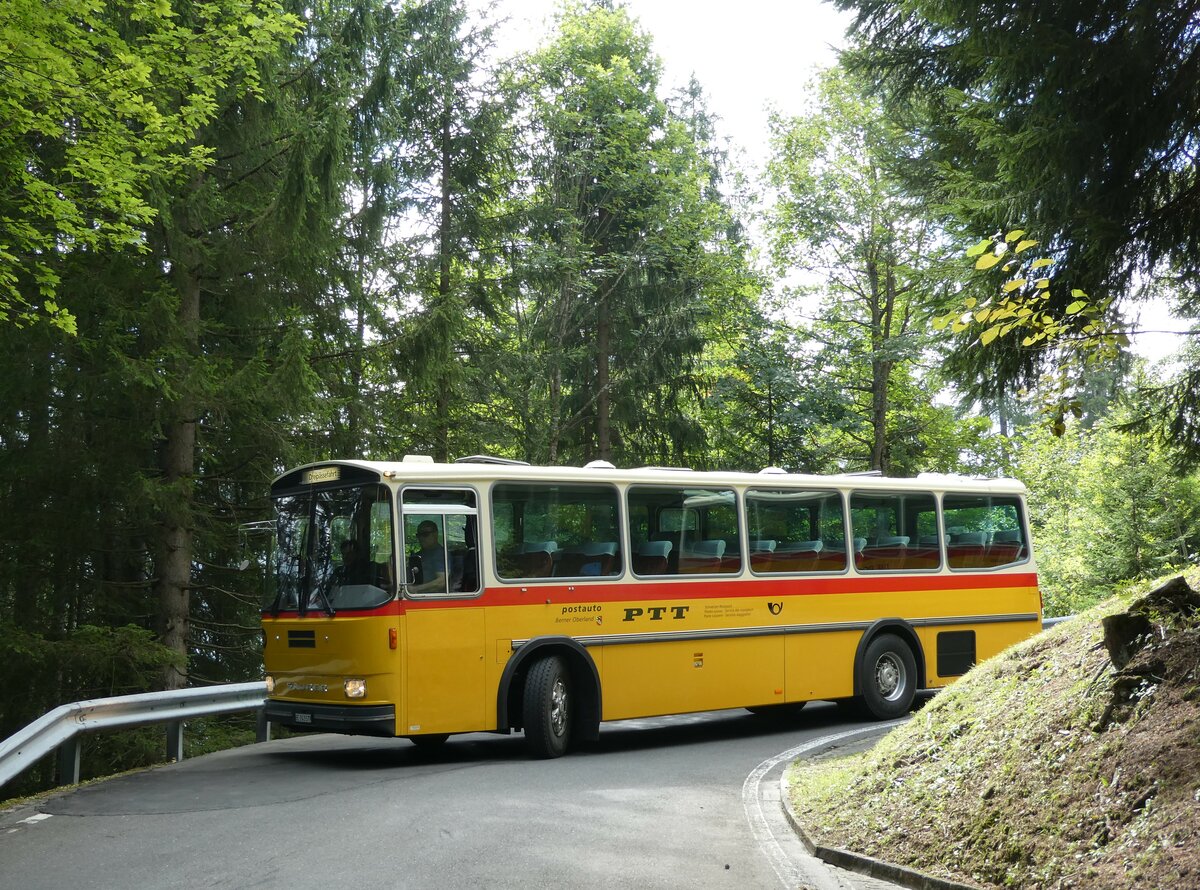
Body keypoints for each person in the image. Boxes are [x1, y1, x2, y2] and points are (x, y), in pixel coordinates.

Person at [410, 520, 447, 593]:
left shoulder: (440, 554)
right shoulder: (418, 555)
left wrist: (415, 589)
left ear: (435, 534)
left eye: (425, 534)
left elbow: (442, 581)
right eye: (418, 535)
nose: (421, 538)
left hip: (433, 598)